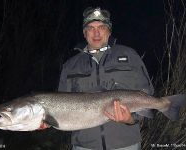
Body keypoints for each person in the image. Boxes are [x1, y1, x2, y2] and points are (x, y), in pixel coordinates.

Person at [58, 7, 154, 150]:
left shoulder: (130, 55)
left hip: (126, 144)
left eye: (101, 27)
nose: (96, 33)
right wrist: (45, 120)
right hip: (84, 146)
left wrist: (131, 119)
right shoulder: (70, 65)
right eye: (90, 28)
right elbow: (59, 105)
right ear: (85, 33)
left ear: (109, 31)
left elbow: (147, 94)